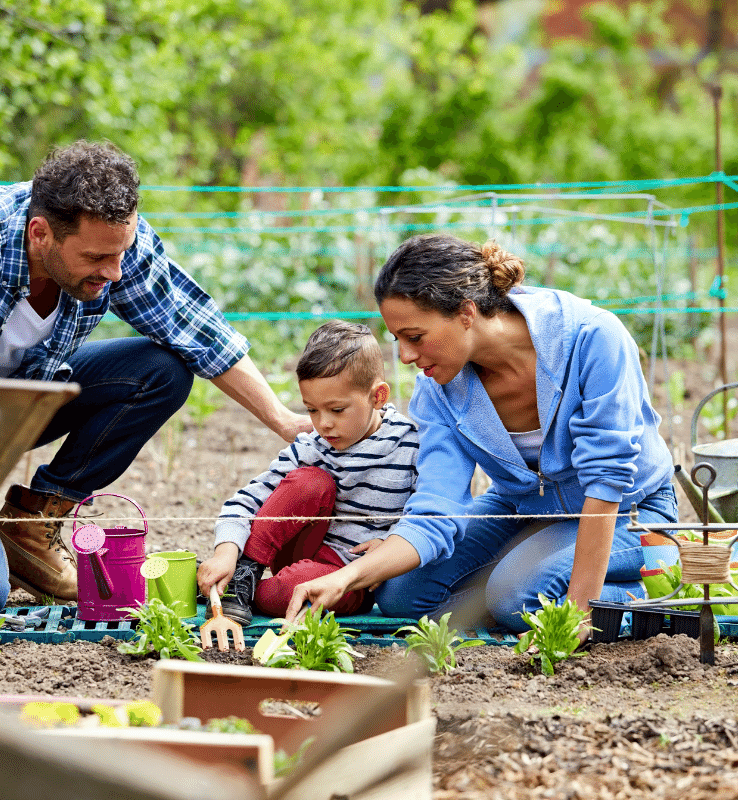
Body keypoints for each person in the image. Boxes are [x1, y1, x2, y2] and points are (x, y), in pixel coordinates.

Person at [284, 233, 678, 637]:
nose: (403, 356)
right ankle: (519, 579)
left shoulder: (591, 338)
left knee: (518, 599)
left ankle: (651, 590)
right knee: (401, 595)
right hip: (522, 509)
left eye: (414, 337)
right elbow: (437, 504)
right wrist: (349, 576)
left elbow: (607, 479)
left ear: (466, 312)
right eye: (397, 338)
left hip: (632, 511)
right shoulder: (438, 389)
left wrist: (578, 613)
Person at [0, 140, 310, 609]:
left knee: (160, 370)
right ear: (40, 234)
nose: (116, 272)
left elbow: (197, 330)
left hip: (25, 403)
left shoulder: (115, 243)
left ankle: (29, 526)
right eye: (96, 259)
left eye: (120, 253)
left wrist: (284, 421)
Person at [197, 320, 419, 624]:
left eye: (336, 410)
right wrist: (227, 551)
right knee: (309, 481)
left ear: (377, 396)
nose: (323, 423)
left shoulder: (410, 445)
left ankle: (248, 590)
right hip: (299, 549)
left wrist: (392, 542)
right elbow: (246, 501)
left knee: (286, 592)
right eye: (312, 410)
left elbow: (426, 514)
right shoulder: (312, 446)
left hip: (351, 577)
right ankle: (240, 575)